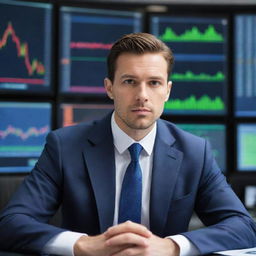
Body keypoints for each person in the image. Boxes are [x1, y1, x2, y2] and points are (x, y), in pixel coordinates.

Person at [0, 32, 256, 256]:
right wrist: (83, 245)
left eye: (154, 83)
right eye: (129, 81)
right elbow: (11, 223)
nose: (142, 95)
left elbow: (243, 226)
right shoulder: (65, 146)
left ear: (167, 91)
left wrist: (171, 247)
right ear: (109, 88)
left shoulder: (194, 152)